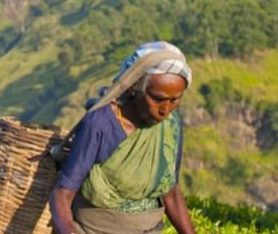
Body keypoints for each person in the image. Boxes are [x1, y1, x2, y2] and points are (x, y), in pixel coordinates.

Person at [49, 41, 195, 234]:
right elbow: (62, 193)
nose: (165, 110)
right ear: (134, 86)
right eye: (157, 98)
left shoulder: (170, 125)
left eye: (175, 100)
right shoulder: (100, 124)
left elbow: (170, 190)